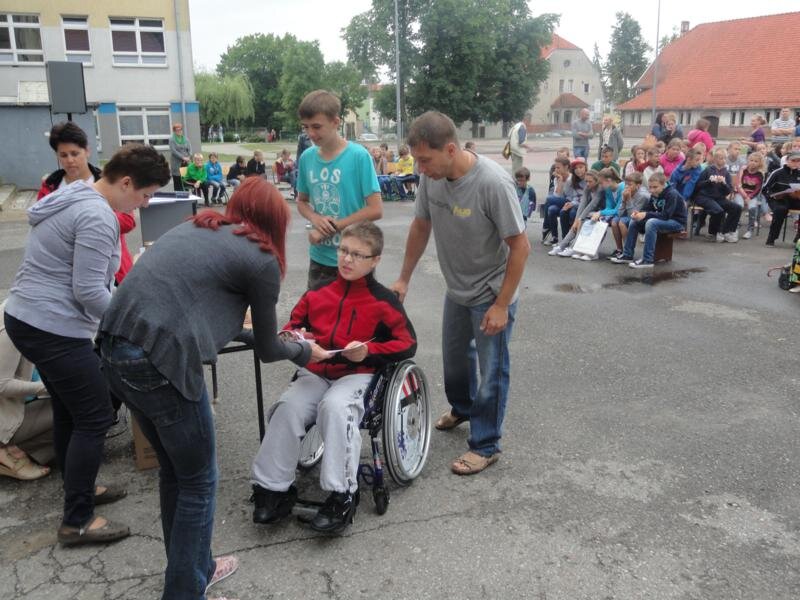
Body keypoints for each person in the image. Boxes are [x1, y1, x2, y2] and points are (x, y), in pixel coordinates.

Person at [99, 177, 327, 598]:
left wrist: (257, 336)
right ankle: (184, 591)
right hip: (158, 360)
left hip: (113, 350)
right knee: (200, 480)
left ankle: (194, 569)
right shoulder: (260, 258)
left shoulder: (197, 226)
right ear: (276, 222)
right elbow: (270, 350)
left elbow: (199, 308)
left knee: (177, 471)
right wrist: (304, 351)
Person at [4, 144, 170, 547]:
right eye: (146, 194)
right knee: (95, 415)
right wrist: (132, 325)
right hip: (52, 327)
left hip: (26, 317)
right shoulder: (97, 216)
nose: (145, 204)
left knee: (69, 409)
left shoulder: (75, 192)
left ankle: (79, 487)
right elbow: (89, 291)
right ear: (126, 182)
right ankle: (77, 520)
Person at [250, 221, 416, 533]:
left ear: (375, 260)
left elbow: (407, 344)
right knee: (287, 409)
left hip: (358, 375)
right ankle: (271, 489)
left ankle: (342, 494)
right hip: (316, 371)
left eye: (358, 255)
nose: (347, 259)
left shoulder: (384, 301)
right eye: (343, 250)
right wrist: (298, 341)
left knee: (336, 407)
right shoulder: (317, 292)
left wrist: (369, 351)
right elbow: (293, 326)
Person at [391, 111, 530, 475]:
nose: (420, 168)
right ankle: (463, 409)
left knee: (492, 371)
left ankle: (486, 444)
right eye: (417, 159)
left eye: (425, 160)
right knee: (454, 363)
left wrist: (502, 305)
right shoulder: (431, 179)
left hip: (491, 292)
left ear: (450, 149)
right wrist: (403, 278)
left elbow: (520, 247)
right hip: (457, 289)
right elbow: (421, 226)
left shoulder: (492, 183)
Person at [296, 90, 382, 289]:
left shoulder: (358, 156)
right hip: (320, 257)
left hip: (355, 259)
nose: (310, 134)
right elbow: (302, 201)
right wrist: (315, 219)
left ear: (336, 122)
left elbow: (376, 209)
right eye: (306, 127)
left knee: (356, 309)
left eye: (317, 126)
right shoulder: (307, 158)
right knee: (317, 309)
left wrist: (333, 227)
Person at [37, 122, 137, 286]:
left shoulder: (108, 181)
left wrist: (86, 221)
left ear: (87, 151)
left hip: (112, 269)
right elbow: (41, 228)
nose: (70, 160)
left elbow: (128, 221)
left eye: (75, 153)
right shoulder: (50, 186)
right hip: (64, 273)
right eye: (63, 155)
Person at [0, 299, 53, 480]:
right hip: (6, 415)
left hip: (17, 404)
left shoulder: (28, 308)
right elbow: (2, 384)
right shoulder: (11, 327)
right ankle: (11, 450)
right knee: (86, 408)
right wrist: (46, 387)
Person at [610, 172, 687, 268]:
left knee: (651, 223)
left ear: (663, 185)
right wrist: (639, 213)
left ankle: (647, 259)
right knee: (634, 221)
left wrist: (646, 215)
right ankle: (627, 255)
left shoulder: (672, 194)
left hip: (677, 222)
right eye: (650, 187)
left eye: (655, 187)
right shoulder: (654, 194)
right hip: (663, 219)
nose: (652, 190)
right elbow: (648, 209)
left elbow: (666, 215)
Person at [547, 169, 602, 258]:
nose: (587, 184)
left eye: (590, 181)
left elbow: (592, 205)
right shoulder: (587, 188)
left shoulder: (600, 189)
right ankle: (561, 246)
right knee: (575, 224)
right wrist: (577, 220)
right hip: (592, 212)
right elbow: (582, 204)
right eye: (586, 181)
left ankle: (574, 247)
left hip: (601, 211)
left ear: (597, 181)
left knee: (582, 221)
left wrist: (580, 219)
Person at [692, 148, 741, 243]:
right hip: (704, 197)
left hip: (719, 198)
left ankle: (726, 231)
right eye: (721, 158)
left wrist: (723, 183)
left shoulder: (726, 173)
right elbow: (698, 185)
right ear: (715, 159)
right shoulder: (707, 170)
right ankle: (713, 233)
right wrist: (709, 181)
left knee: (737, 208)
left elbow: (728, 191)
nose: (723, 160)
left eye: (725, 158)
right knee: (718, 210)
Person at [763, 150, 800, 247]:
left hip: (795, 199)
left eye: (798, 161)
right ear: (787, 161)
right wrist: (774, 195)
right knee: (780, 209)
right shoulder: (777, 173)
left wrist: (797, 194)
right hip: (778, 199)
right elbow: (765, 189)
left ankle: (798, 237)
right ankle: (771, 238)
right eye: (793, 160)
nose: (796, 163)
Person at [610, 171, 650, 259]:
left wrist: (628, 199)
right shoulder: (625, 192)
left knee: (622, 222)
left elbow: (633, 215)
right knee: (614, 222)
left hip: (641, 217)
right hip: (630, 214)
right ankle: (619, 249)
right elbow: (619, 213)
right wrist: (623, 200)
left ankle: (627, 252)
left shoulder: (643, 196)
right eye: (626, 184)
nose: (627, 187)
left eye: (630, 185)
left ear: (638, 185)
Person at [541, 156, 571, 245]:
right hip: (561, 202)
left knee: (549, 199)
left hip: (570, 202)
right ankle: (554, 238)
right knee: (551, 209)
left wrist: (561, 180)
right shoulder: (556, 178)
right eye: (555, 168)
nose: (556, 170)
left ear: (566, 167)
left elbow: (568, 196)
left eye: (558, 167)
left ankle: (546, 226)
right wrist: (560, 180)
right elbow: (557, 195)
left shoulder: (571, 178)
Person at [740, 151, 766, 239]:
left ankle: (750, 229)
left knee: (752, 208)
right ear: (748, 160)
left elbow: (758, 188)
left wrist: (749, 197)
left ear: (760, 163)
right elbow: (739, 183)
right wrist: (744, 196)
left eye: (756, 161)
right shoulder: (744, 171)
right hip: (742, 193)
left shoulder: (760, 174)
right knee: (737, 205)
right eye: (751, 160)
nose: (753, 162)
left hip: (752, 195)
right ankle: (735, 225)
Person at [169, 123, 191, 192]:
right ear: (174, 131)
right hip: (176, 163)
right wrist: (183, 157)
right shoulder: (172, 140)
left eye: (180, 129)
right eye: (177, 130)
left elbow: (190, 149)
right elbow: (173, 151)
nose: (179, 131)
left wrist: (188, 157)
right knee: (177, 181)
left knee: (185, 179)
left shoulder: (186, 139)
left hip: (185, 162)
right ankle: (178, 195)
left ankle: (186, 195)